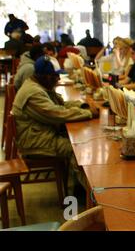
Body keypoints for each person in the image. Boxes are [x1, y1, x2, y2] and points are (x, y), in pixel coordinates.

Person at [12, 55, 100, 189]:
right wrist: (88, 113)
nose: (58, 79)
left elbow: (61, 104)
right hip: (35, 141)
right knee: (76, 148)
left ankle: (80, 185)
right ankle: (90, 193)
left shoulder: (40, 85)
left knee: (79, 140)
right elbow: (57, 114)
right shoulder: (33, 93)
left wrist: (84, 106)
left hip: (41, 133)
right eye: (55, 76)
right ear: (45, 76)